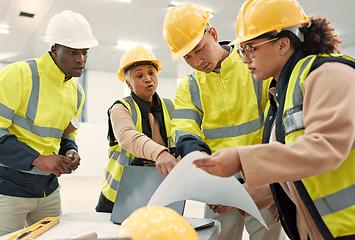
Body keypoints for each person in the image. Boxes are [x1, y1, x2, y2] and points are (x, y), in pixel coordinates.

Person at [193, 0, 355, 239]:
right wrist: (238, 200)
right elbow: (291, 168)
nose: (244, 58)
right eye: (242, 50)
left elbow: (324, 148)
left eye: (251, 48)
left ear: (282, 44)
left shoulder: (329, 74)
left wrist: (241, 159)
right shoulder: (283, 93)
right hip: (322, 228)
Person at [162, 4, 287, 240]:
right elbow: (185, 133)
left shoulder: (254, 66)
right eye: (187, 56)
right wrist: (205, 178)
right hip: (219, 185)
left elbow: (277, 124)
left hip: (261, 177)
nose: (196, 61)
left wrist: (277, 188)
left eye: (199, 49)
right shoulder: (189, 87)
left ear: (214, 34)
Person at [0, 10, 98, 239]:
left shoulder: (77, 92)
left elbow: (67, 134)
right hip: (8, 187)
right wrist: (38, 159)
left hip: (48, 190)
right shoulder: (19, 74)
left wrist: (70, 150)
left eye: (84, 52)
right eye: (72, 52)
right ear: (54, 50)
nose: (80, 59)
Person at [95, 45, 177, 213]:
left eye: (151, 72)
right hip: (118, 196)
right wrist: (160, 153)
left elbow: (181, 139)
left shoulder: (169, 107)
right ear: (128, 83)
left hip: (155, 192)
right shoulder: (120, 108)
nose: (148, 79)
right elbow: (127, 137)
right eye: (139, 75)